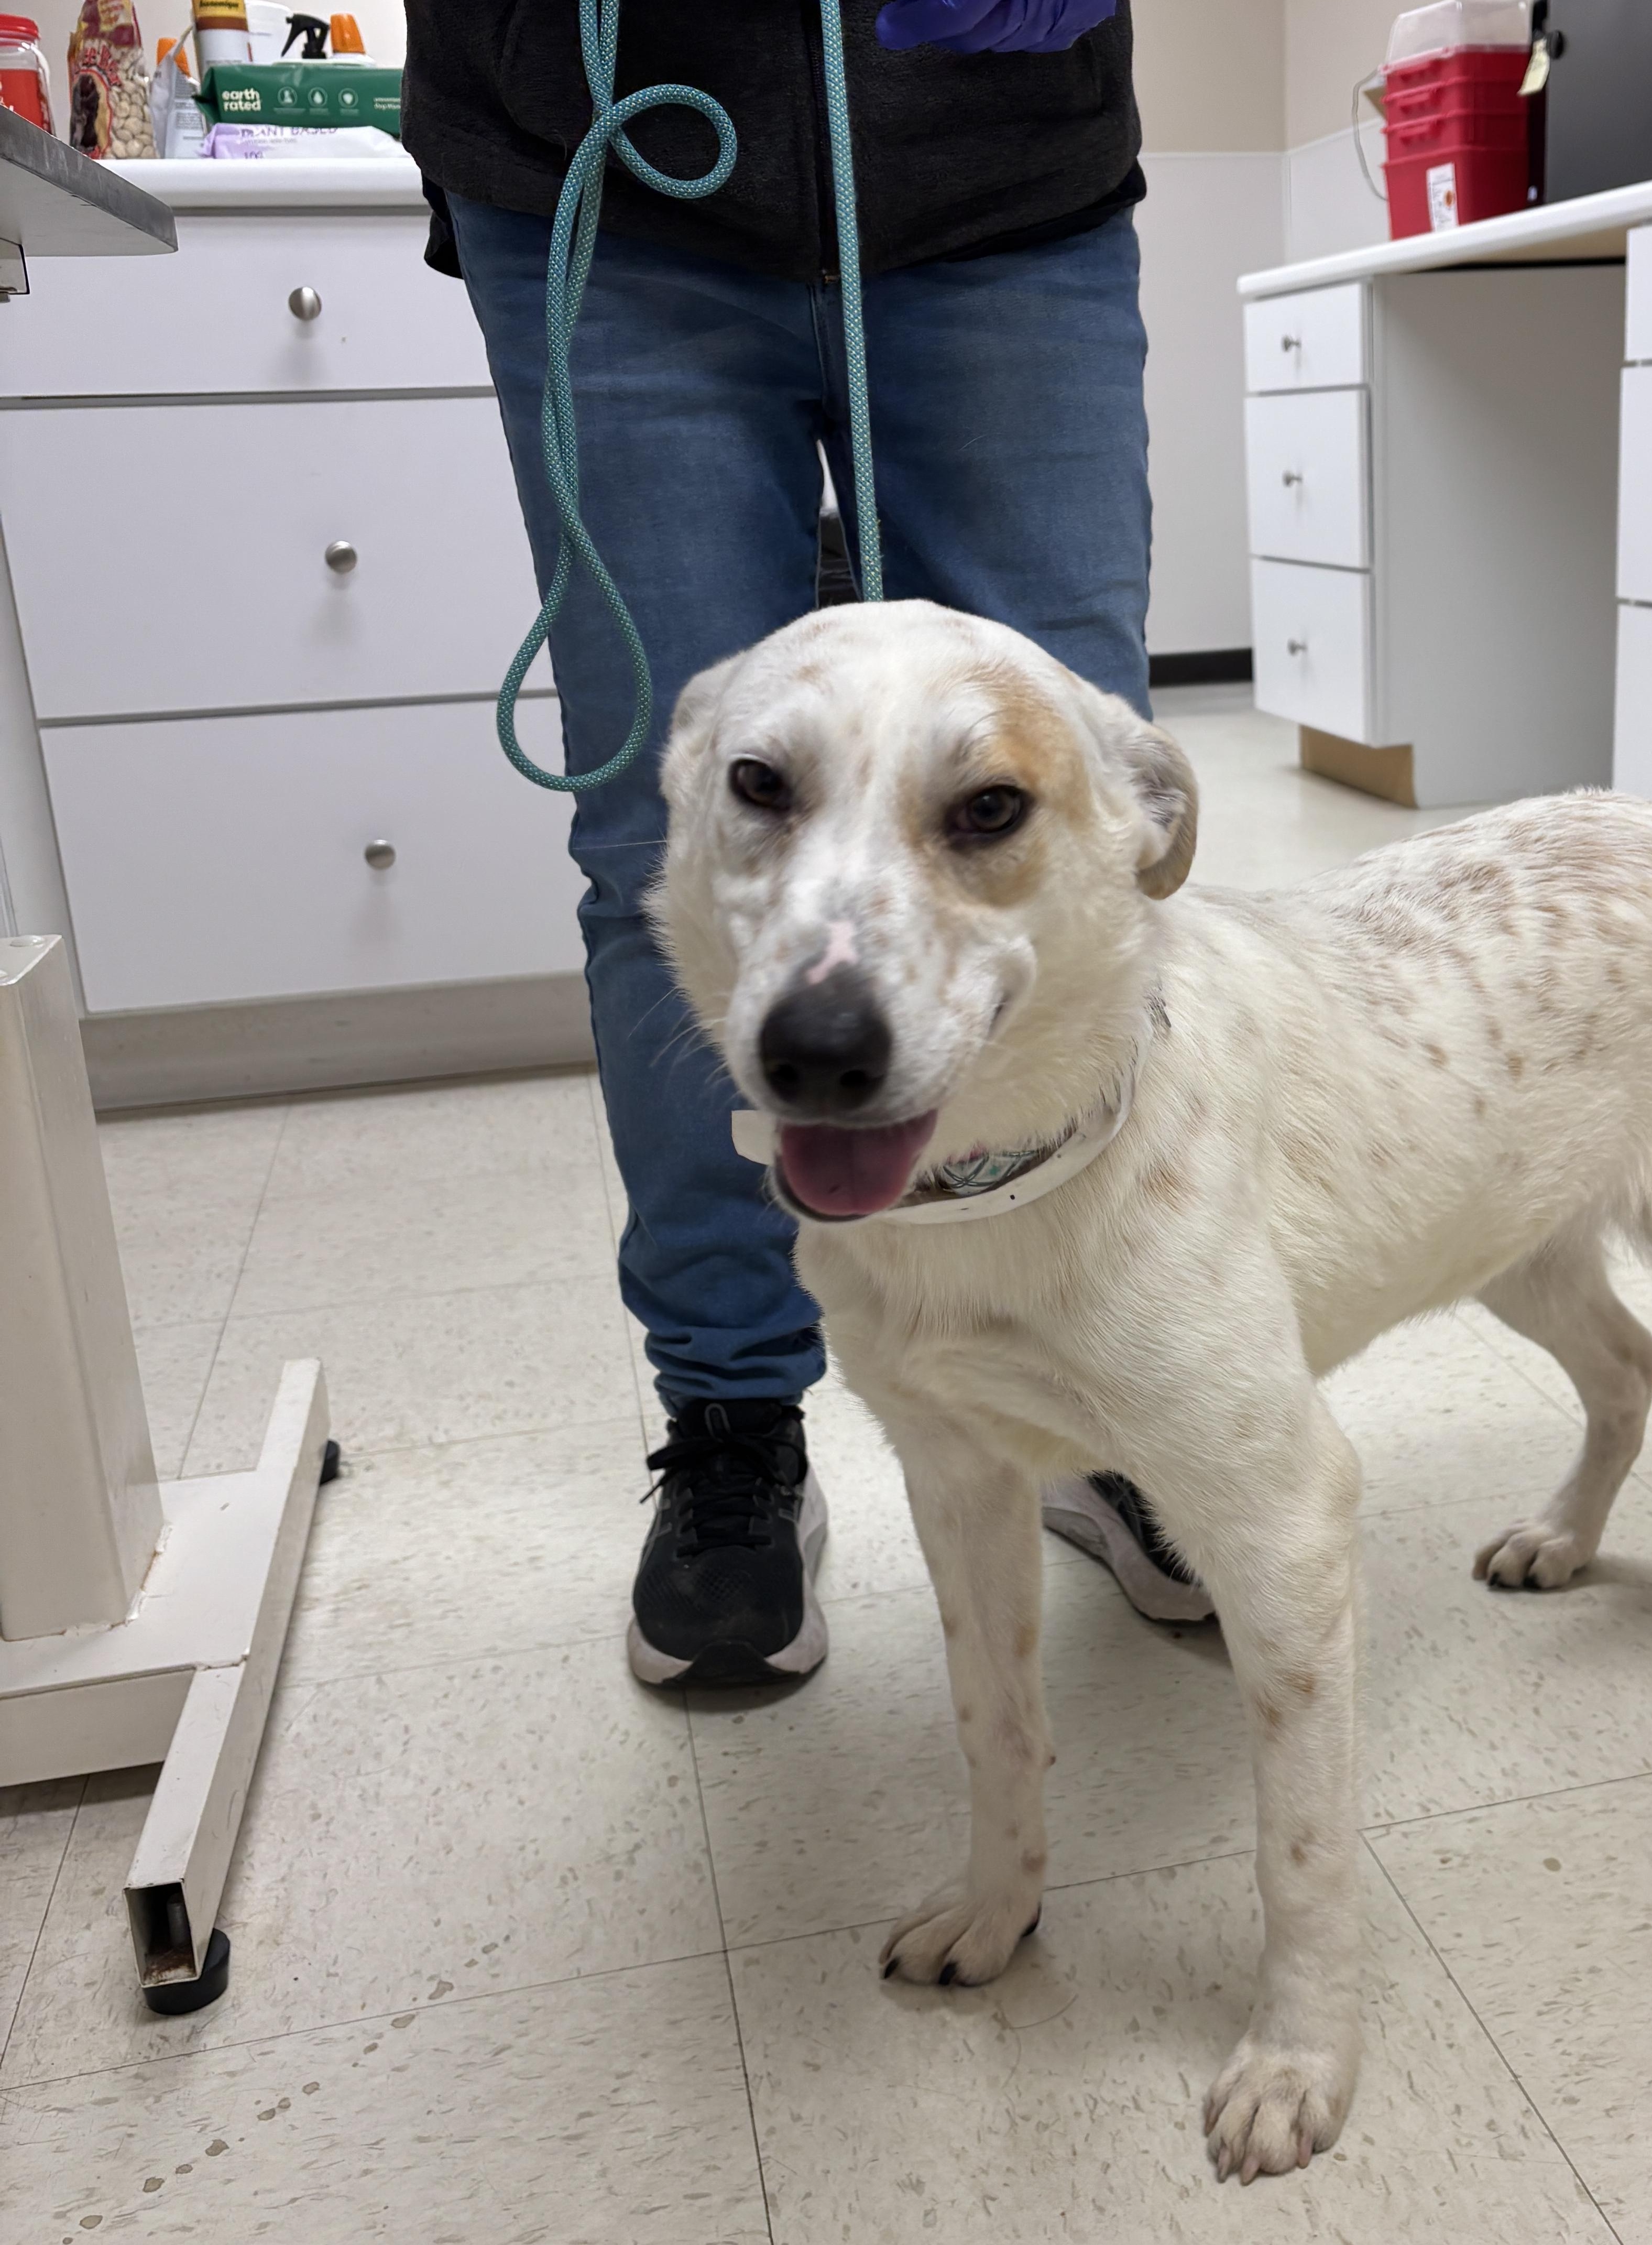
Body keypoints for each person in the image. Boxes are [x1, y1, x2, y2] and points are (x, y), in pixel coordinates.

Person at [401, 0, 1212, 1688]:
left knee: (1072, 814)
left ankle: (1099, 1386)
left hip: (1002, 165)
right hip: (602, 156)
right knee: (665, 835)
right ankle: (730, 1420)